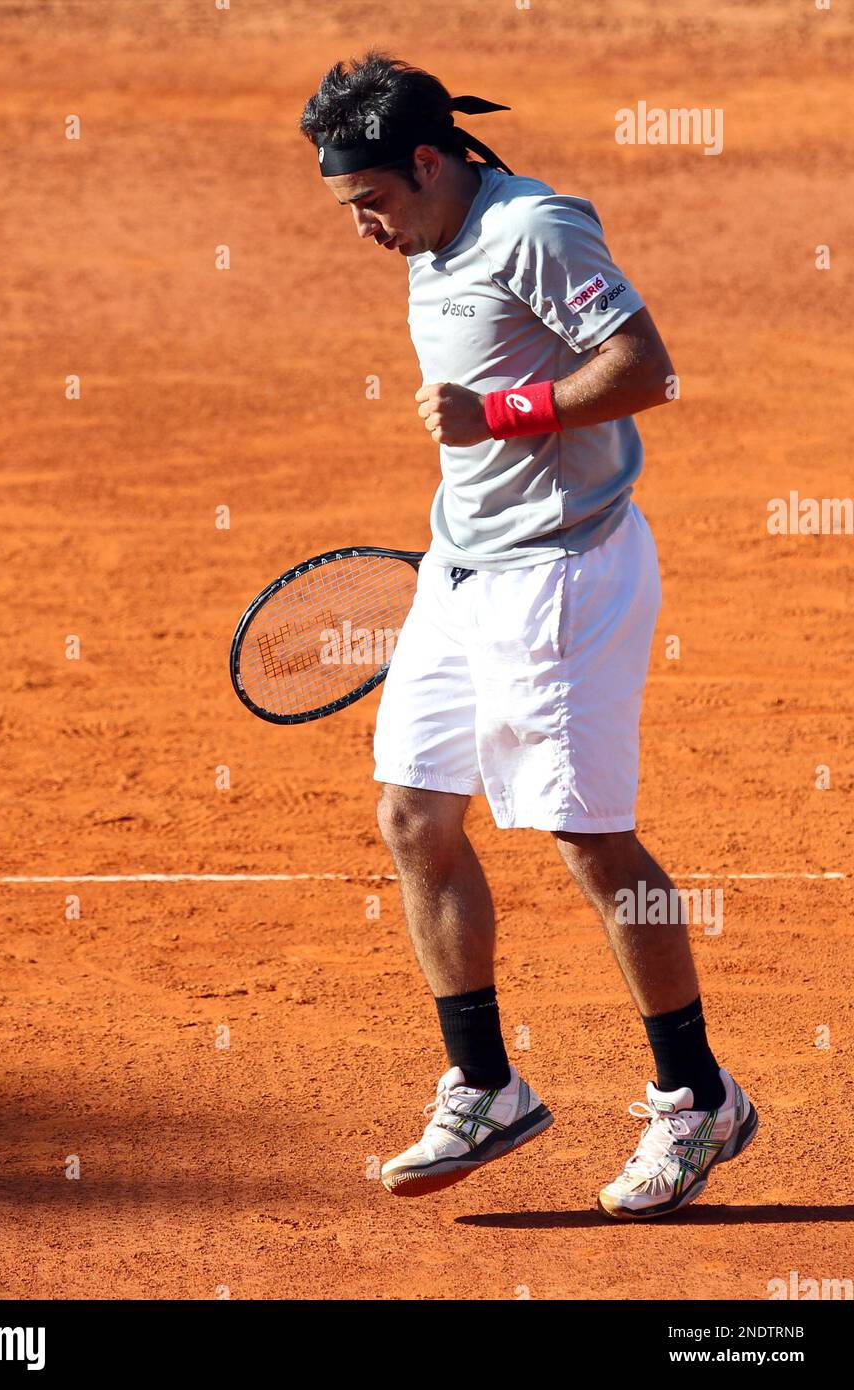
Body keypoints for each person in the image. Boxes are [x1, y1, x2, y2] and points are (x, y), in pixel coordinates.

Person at [299, 52, 758, 1219]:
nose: (366, 231)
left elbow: (646, 371)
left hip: (569, 574)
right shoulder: (429, 236)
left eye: (375, 204)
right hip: (461, 567)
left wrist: (505, 413)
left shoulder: (536, 229)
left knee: (588, 841)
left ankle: (697, 1095)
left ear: (431, 160)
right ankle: (486, 1084)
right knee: (413, 812)